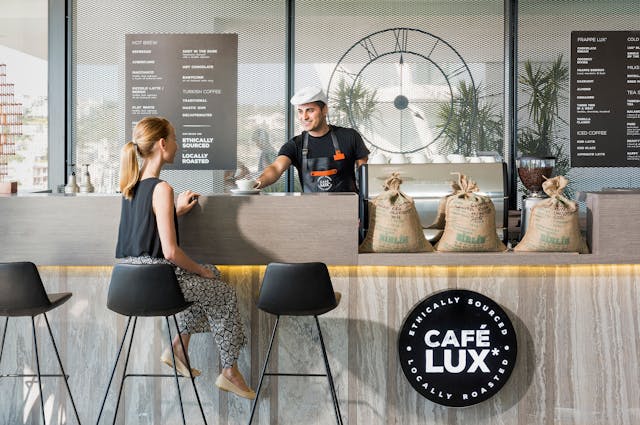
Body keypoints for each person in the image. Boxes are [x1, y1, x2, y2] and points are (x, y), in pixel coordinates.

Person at [115, 116, 255, 399]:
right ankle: (230, 370)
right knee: (221, 291)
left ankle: (180, 346)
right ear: (163, 143)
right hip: (158, 281)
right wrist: (201, 272)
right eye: (175, 139)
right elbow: (169, 252)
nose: (178, 146)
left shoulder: (130, 186)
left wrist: (175, 212)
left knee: (208, 277)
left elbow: (146, 229)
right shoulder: (161, 188)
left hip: (129, 282)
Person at [255, 86, 369, 192]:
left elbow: (364, 175)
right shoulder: (295, 145)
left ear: (324, 110)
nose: (304, 117)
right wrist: (258, 182)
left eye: (310, 110)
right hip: (311, 210)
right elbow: (275, 168)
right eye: (300, 111)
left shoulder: (350, 137)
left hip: (348, 210)